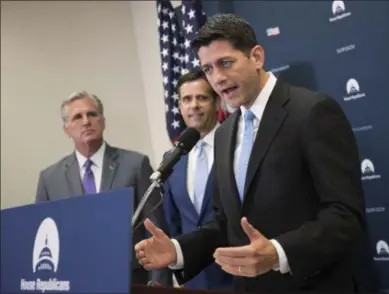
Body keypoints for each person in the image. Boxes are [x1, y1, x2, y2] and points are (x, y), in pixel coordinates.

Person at [135, 14, 366, 293]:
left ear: (256, 57)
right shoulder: (224, 133)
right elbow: (225, 223)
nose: (217, 78)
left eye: (226, 63)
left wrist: (278, 253)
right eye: (208, 69)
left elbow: (345, 215)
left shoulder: (312, 112)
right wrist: (177, 250)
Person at [35, 91, 172, 287]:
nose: (86, 121)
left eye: (92, 114)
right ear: (67, 129)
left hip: (132, 280)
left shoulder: (135, 164)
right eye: (77, 117)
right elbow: (45, 238)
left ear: (103, 121)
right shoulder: (50, 178)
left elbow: (156, 230)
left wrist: (159, 285)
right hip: (75, 282)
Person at [162, 70, 233, 290]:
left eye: (201, 97)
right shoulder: (172, 159)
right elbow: (173, 222)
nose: (194, 105)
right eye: (187, 99)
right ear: (180, 106)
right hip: (195, 280)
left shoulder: (236, 146)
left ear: (217, 102)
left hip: (237, 276)